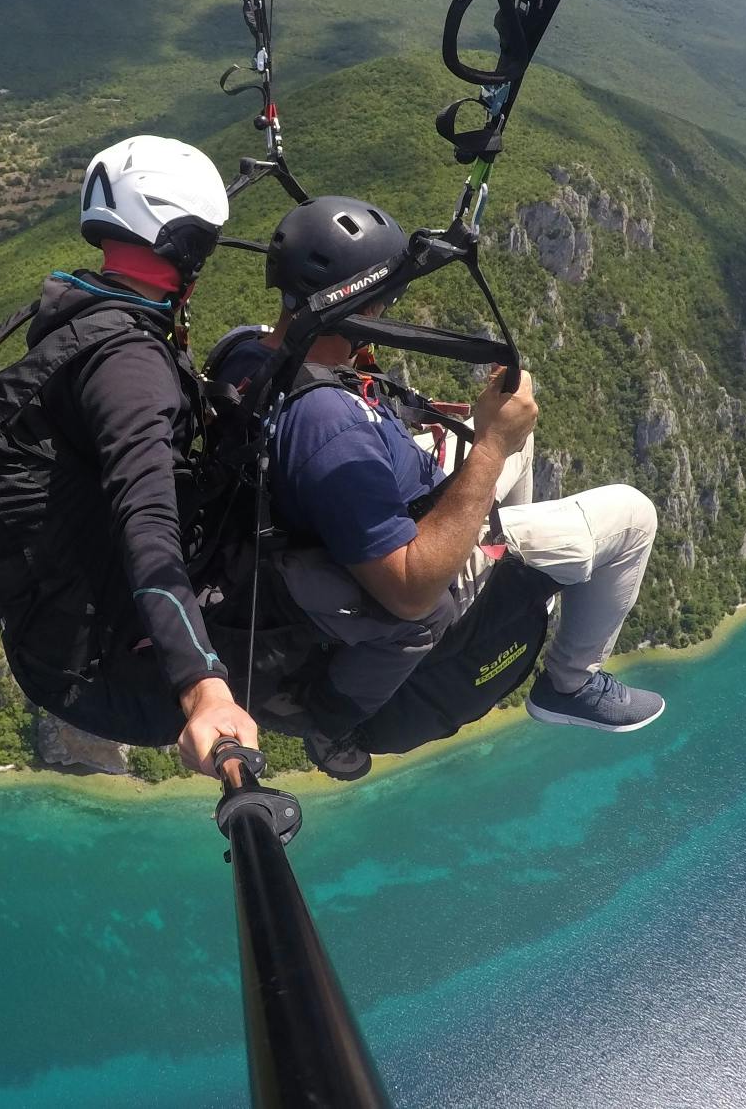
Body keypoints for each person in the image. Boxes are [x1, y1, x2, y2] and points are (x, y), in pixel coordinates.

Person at [211, 195, 666, 780]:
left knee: (519, 435)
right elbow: (408, 593)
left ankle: (514, 585)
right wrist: (489, 446)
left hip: (341, 518)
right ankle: (567, 681)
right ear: (365, 304)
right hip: (413, 564)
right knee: (633, 516)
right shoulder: (328, 426)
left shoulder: (248, 349)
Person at [0, 135, 261, 777]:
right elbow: (147, 529)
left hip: (58, 628)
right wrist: (204, 687)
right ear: (187, 243)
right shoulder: (131, 365)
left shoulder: (80, 310)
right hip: (108, 671)